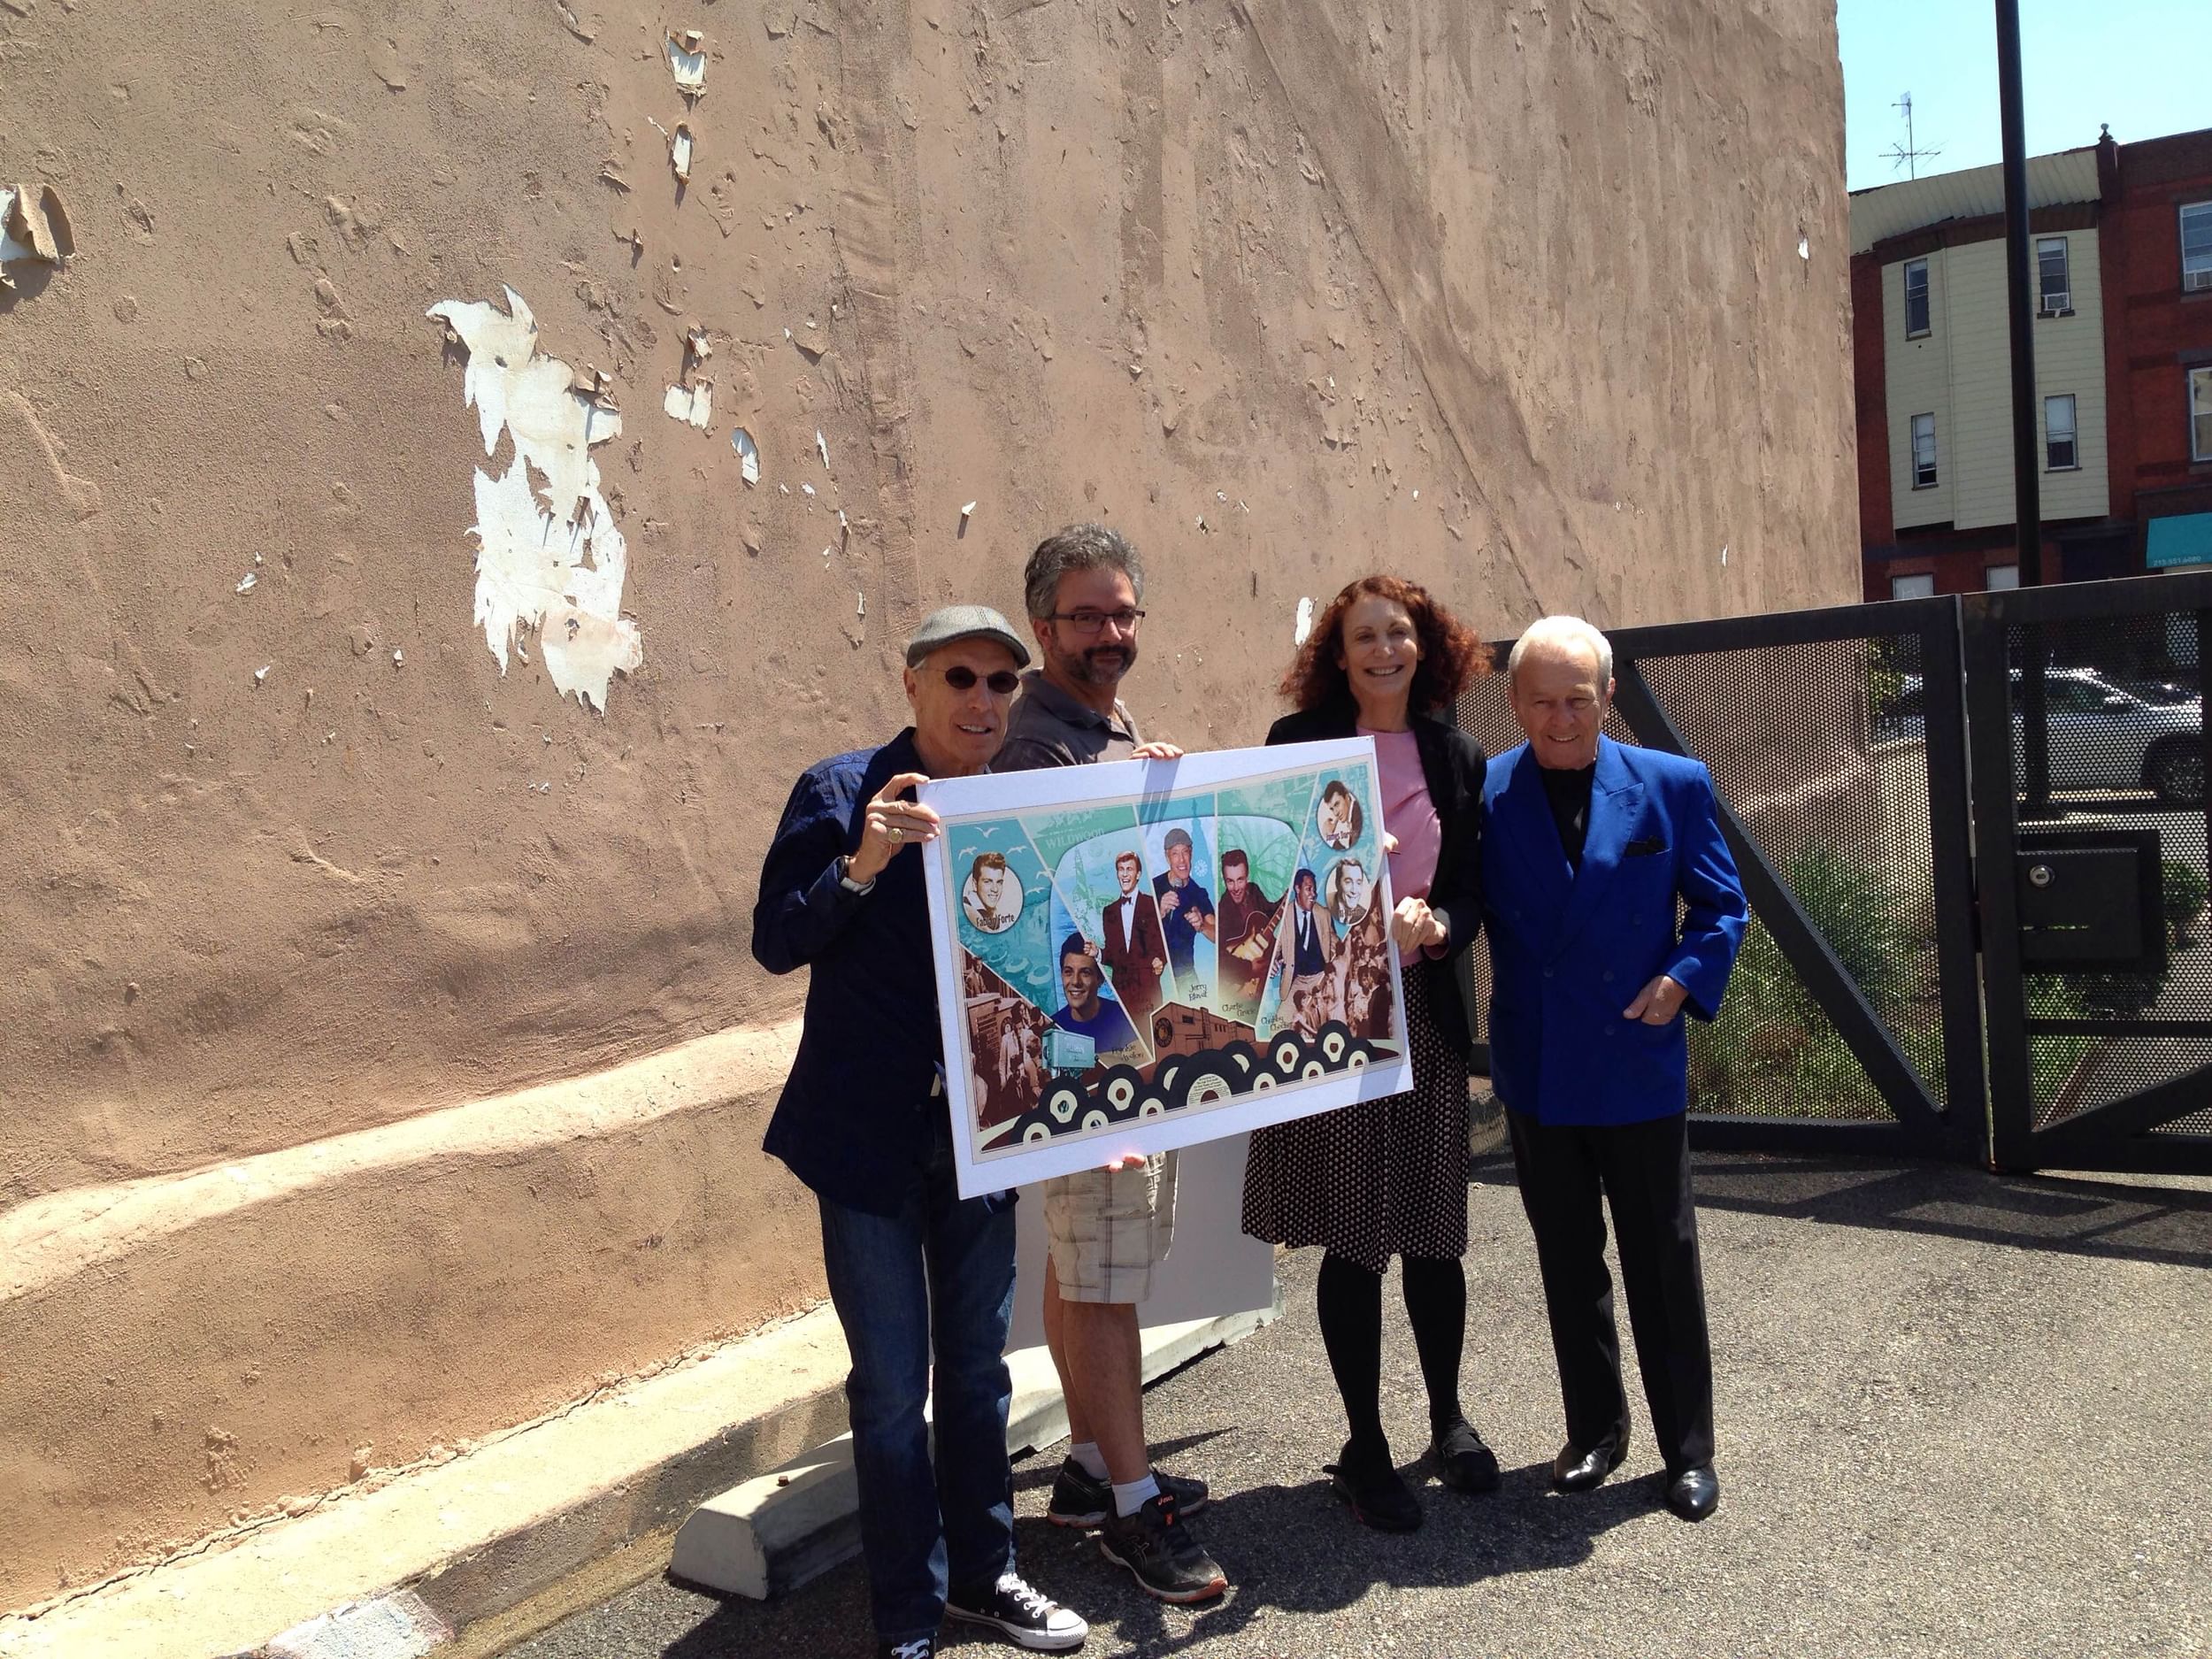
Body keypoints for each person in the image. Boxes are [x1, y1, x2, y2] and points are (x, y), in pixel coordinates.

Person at [754, 605, 1089, 1659]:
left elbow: (1071, 960)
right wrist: (861, 865)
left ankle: (986, 1576)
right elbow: (775, 940)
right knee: (895, 1388)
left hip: (983, 1133)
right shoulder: (839, 789)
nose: (981, 702)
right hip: (862, 1136)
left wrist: (1144, 794)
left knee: (979, 1371)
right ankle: (907, 1614)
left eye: (1000, 682)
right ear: (912, 686)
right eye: (960, 678)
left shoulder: (1030, 806)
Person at [994, 524, 1225, 1603]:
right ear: (1044, 628)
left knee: (1077, 1263)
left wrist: (1154, 786)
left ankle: (1089, 1467)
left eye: (1123, 612)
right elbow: (1059, 911)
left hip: (1125, 1060)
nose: (1110, 632)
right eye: (1087, 616)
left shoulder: (1096, 725)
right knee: (1102, 1282)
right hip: (1093, 1071)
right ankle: (1136, 1511)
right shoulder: (1033, 747)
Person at [1240, 573, 1494, 1533]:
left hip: (1421, 1014)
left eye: (1399, 633)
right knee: (1353, 1236)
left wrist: (1440, 922)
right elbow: (1260, 871)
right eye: (1363, 636)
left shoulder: (1456, 753)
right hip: (1329, 1018)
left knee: (1433, 1228)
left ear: (1423, 646)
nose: (1383, 649)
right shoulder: (1297, 748)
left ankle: (1448, 1418)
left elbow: (1473, 891)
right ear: (1336, 656)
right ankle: (1364, 1446)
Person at [1483, 615, 1746, 1525]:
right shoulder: (1483, 795)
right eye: (1543, 702)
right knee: (1567, 1260)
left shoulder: (1672, 786)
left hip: (1635, 1057)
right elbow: (1453, 906)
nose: (1561, 720)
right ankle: (1594, 1429)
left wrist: (1681, 980)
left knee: (1661, 1261)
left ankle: (1686, 1450)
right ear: (1513, 702)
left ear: (1609, 698)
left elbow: (1720, 908)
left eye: (1578, 701)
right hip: (1540, 1061)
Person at [1096, 850, 1167, 1028]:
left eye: (1129, 869)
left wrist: (1161, 960)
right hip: (1121, 993)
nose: (1125, 874)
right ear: (1117, 874)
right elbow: (1112, 956)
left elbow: (1162, 946)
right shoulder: (1109, 911)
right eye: (1121, 869)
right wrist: (1096, 952)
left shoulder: (1152, 905)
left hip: (1148, 991)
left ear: (1138, 874)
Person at [1266, 867, 1337, 1032]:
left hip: (1321, 977)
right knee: (1277, 1029)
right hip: (1297, 981)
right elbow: (1275, 950)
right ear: (1297, 889)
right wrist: (1272, 963)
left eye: (1314, 889)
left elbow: (1334, 943)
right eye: (1308, 889)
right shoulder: (1284, 916)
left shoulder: (1324, 914)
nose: (1313, 894)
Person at [1214, 849, 1280, 1026]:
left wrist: (1285, 900)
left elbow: (1267, 915)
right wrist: (1249, 969)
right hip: (1238, 988)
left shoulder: (1254, 891)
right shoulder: (1223, 911)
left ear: (1247, 875)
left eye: (1240, 880)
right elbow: (1218, 960)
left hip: (1262, 977)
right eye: (1230, 881)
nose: (1236, 888)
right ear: (1224, 880)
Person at [1052, 933, 1143, 1056]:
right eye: (1068, 972)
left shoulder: (1125, 1019)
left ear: (1100, 979)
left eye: (1085, 973)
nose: (1075, 982)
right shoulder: (1053, 1028)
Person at [1152, 827, 1216, 993]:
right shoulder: (1153, 887)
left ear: (1191, 854)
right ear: (1167, 857)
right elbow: (1136, 933)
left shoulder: (1198, 893)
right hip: (1154, 973)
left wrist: (1202, 926)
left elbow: (1218, 935)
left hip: (1185, 976)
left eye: (1185, 852)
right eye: (1175, 854)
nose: (1182, 860)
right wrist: (1160, 912)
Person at [964, 851, 1019, 933]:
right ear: (975, 884)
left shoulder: (999, 918)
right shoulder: (967, 909)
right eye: (987, 882)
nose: (995, 889)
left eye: (999, 882)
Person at [1317, 779, 1363, 850]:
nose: (1335, 813)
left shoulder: (1358, 816)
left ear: (1347, 797)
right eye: (1332, 809)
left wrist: (1330, 836)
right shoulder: (1354, 816)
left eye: (1337, 804)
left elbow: (1354, 852)